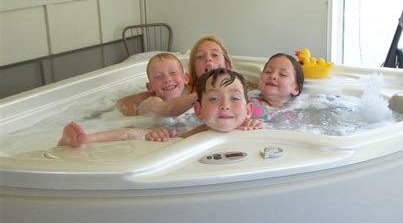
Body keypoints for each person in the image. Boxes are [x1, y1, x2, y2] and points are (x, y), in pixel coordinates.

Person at [58, 68, 261, 147]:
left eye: (234, 98)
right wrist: (154, 136)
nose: (225, 106)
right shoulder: (189, 138)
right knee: (144, 134)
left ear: (249, 110)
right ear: (198, 111)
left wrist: (255, 126)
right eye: (214, 99)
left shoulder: (254, 130)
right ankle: (80, 140)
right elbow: (129, 134)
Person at [117, 35, 232, 116]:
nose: (208, 59)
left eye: (215, 55)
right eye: (200, 56)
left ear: (226, 64)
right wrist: (135, 118)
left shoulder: (237, 89)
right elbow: (124, 102)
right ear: (193, 67)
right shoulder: (183, 89)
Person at [250, 53, 305, 121]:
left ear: (296, 89)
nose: (273, 76)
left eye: (282, 74)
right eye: (268, 72)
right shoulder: (250, 105)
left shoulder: (299, 105)